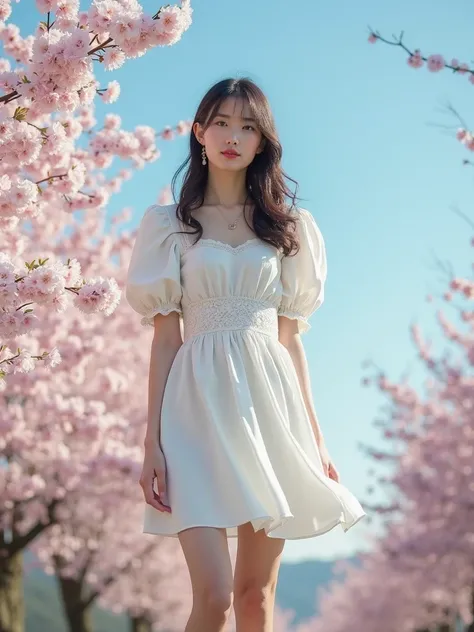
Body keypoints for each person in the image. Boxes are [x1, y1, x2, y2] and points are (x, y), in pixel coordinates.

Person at [125, 77, 366, 632]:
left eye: (248, 126)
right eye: (222, 123)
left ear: (263, 142)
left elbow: (291, 339)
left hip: (271, 410)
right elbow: (165, 339)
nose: (234, 136)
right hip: (194, 412)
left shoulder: (290, 229)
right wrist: (151, 442)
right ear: (199, 133)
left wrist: (317, 438)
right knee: (214, 598)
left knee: (256, 597)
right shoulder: (167, 227)